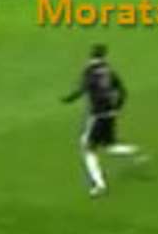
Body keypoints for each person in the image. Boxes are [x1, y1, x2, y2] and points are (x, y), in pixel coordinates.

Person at [61, 44, 145, 197]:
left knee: (87, 149)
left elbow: (82, 89)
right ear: (104, 56)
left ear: (91, 56)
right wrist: (117, 107)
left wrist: (68, 99)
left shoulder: (89, 71)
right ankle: (135, 152)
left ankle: (99, 185)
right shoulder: (109, 71)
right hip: (110, 113)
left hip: (97, 115)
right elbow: (122, 91)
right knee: (109, 146)